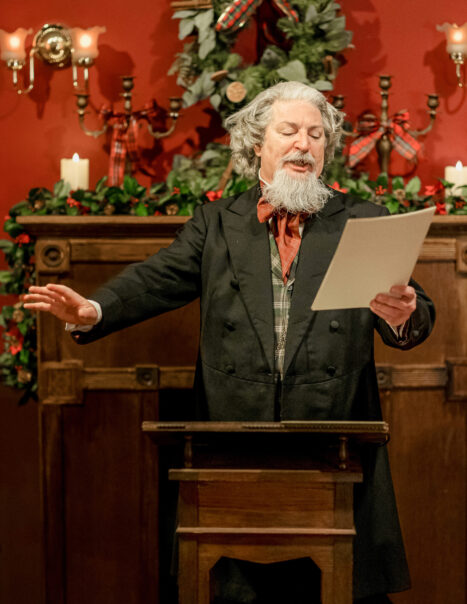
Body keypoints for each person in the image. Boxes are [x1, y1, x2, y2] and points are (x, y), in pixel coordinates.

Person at [24, 81, 435, 604]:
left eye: (315, 134)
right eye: (287, 131)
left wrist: (405, 315)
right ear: (256, 144)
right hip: (234, 444)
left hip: (336, 446)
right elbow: (157, 278)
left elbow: (415, 312)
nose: (303, 144)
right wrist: (93, 310)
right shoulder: (217, 223)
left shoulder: (364, 220)